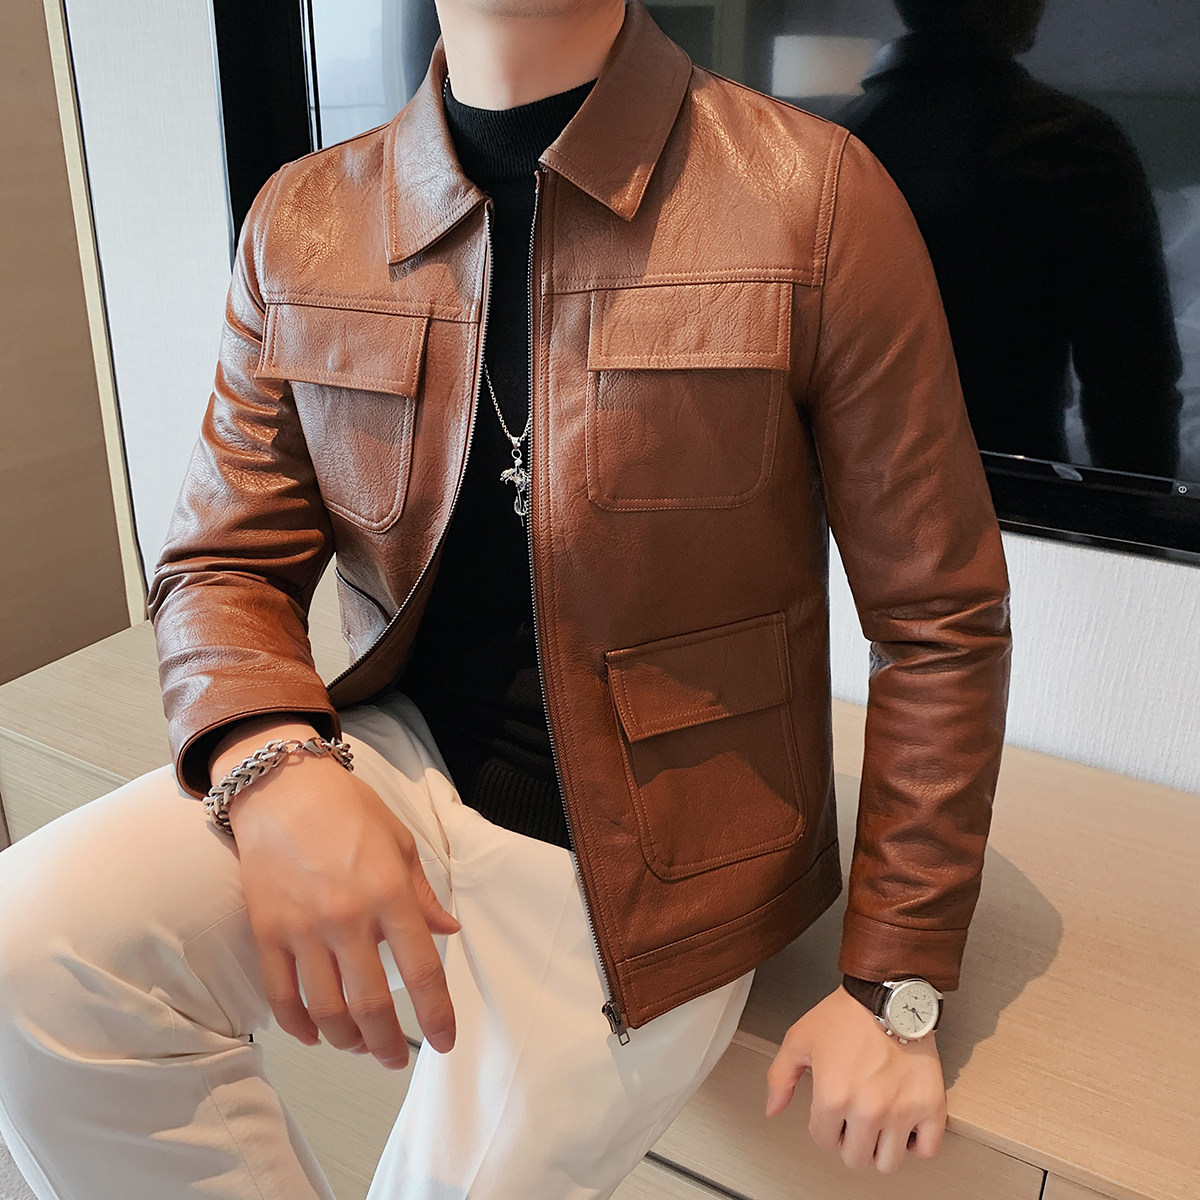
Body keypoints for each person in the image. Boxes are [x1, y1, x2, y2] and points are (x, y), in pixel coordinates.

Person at [0, 0, 1013, 1196]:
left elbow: (939, 621)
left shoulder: (814, 195)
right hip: (393, 763)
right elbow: (220, 562)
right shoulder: (305, 219)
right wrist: (272, 764)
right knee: (34, 960)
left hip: (668, 864)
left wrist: (895, 984)